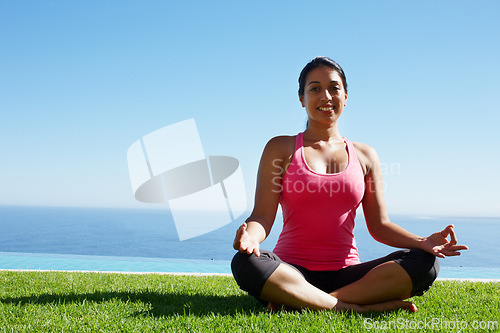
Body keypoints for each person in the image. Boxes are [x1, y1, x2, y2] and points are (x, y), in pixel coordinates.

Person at [231, 56, 468, 313]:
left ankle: (303, 300)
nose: (326, 96)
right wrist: (250, 239)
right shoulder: (280, 147)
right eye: (315, 88)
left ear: (346, 96)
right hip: (290, 271)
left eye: (334, 88)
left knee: (426, 262)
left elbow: (380, 226)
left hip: (349, 274)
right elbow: (262, 216)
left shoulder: (365, 155)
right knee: (246, 263)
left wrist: (422, 242)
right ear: (301, 98)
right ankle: (351, 307)